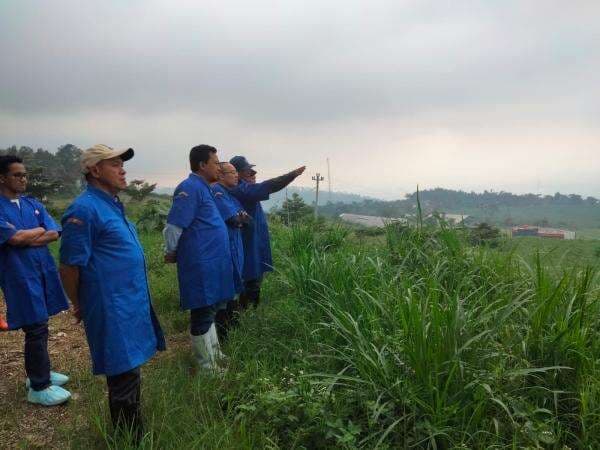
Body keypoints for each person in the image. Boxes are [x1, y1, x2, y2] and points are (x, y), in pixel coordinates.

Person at [59, 145, 165, 440]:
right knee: (122, 374)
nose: (123, 169)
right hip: (110, 305)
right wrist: (79, 303)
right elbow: (69, 266)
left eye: (122, 164)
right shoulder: (83, 209)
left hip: (127, 301)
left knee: (130, 370)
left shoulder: (111, 204)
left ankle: (132, 434)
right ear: (94, 171)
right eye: (114, 164)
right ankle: (128, 440)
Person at [0, 155, 71, 406]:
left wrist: (28, 234)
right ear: (2, 178)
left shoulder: (32, 203)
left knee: (41, 324)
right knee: (35, 325)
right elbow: (13, 240)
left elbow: (54, 232)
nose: (24, 179)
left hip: (42, 271)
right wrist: (35, 232)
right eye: (17, 174)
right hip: (18, 275)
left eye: (25, 174)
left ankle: (38, 372)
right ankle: (39, 386)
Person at [164, 145, 234, 371]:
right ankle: (206, 366)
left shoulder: (205, 188)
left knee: (211, 308)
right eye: (215, 162)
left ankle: (215, 354)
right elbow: (174, 226)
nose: (219, 168)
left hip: (213, 261)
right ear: (202, 165)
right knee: (203, 310)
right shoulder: (189, 188)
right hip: (201, 262)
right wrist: (171, 250)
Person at [229, 156, 305, 309]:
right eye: (249, 172)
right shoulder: (240, 189)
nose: (253, 175)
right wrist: (291, 175)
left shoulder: (244, 189)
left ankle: (246, 313)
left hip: (254, 244)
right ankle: (245, 315)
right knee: (249, 281)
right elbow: (268, 186)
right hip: (247, 247)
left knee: (253, 280)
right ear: (239, 173)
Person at [212, 162, 251, 341]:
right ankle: (223, 336)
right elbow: (235, 219)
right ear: (221, 175)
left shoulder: (230, 195)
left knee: (233, 289)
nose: (237, 175)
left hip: (234, 247)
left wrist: (240, 219)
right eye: (233, 172)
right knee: (224, 294)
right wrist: (239, 219)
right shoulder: (217, 192)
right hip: (225, 249)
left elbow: (245, 218)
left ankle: (231, 331)